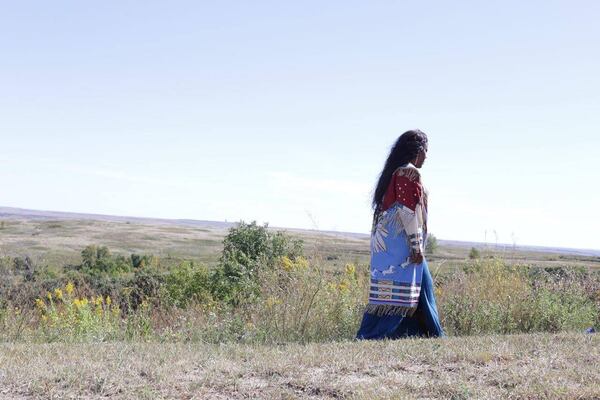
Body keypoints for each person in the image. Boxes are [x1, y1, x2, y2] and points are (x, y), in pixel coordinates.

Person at [356, 129, 444, 339]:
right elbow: (408, 213)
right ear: (418, 150)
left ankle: (424, 333)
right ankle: (372, 335)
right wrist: (416, 246)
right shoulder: (409, 173)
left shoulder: (393, 174)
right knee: (405, 291)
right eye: (426, 150)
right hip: (401, 247)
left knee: (422, 286)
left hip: (388, 246)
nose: (427, 156)